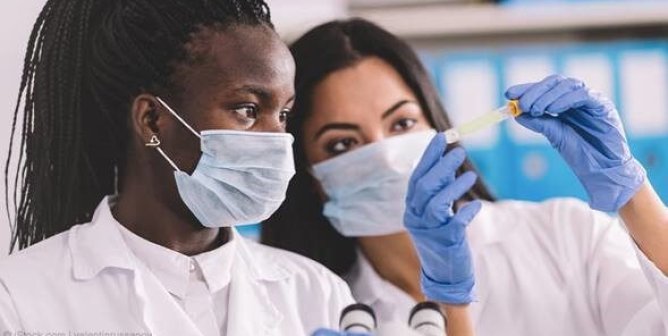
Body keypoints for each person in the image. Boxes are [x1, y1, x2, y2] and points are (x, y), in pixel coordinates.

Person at [262, 18, 668, 335]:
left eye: (402, 123)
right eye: (341, 145)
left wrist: (632, 192)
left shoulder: (565, 235)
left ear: (438, 126)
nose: (384, 156)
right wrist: (450, 303)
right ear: (309, 173)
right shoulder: (325, 309)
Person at [0, 1, 355, 335]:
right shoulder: (19, 299)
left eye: (283, 115)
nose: (277, 139)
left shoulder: (318, 294)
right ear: (153, 120)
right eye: (247, 110)